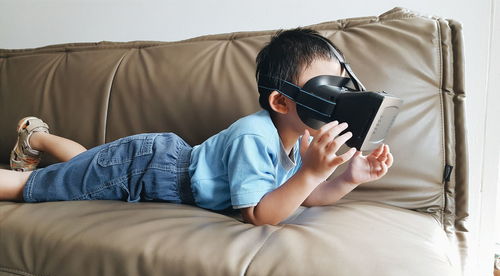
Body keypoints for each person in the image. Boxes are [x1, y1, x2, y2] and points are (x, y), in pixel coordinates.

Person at [0, 28, 393, 226]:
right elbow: (259, 215)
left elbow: (302, 197)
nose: (339, 98)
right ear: (281, 101)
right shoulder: (255, 136)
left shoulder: (299, 139)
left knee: (88, 163)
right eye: (327, 89)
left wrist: (347, 179)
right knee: (28, 188)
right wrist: (310, 173)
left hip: (151, 166)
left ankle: (35, 135)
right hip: (143, 167)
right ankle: (34, 140)